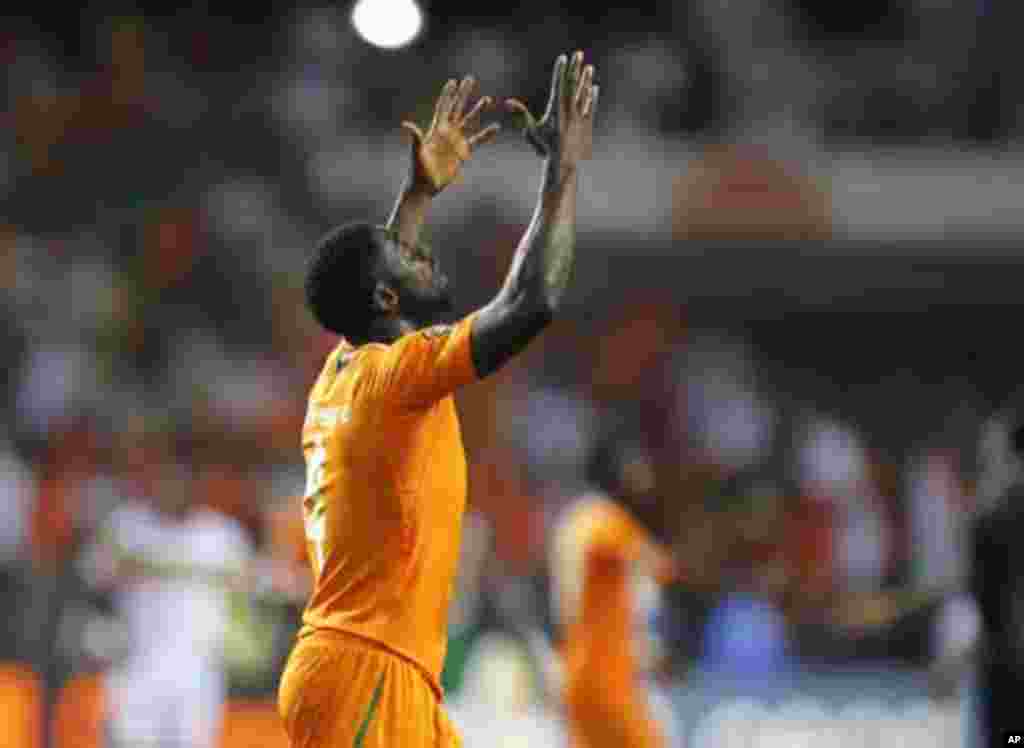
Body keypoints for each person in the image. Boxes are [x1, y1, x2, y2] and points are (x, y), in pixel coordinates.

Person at [276, 51, 598, 748]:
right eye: (412, 257)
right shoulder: (396, 376)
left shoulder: (343, 373)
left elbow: (373, 283)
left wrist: (418, 194)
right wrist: (563, 170)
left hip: (376, 673)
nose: (425, 256)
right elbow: (533, 301)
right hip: (367, 675)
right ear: (389, 298)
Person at [79, 430, 253, 748]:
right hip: (136, 668)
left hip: (198, 673)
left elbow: (250, 591)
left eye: (182, 478)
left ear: (195, 482)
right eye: (166, 477)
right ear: (153, 478)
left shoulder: (222, 536)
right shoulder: (126, 527)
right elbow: (92, 576)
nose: (173, 486)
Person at [550, 430, 681, 748]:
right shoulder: (606, 520)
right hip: (604, 674)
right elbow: (661, 567)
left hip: (576, 666)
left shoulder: (574, 518)